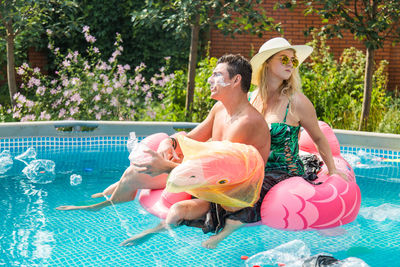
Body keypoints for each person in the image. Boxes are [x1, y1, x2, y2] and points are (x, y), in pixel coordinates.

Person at [57, 54, 271, 248]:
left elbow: (217, 175)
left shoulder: (246, 122)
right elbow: (192, 137)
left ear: (236, 81)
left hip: (230, 191)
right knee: (133, 174)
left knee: (178, 210)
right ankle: (105, 204)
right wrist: (171, 143)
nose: (210, 80)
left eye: (217, 75)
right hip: (208, 177)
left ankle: (151, 232)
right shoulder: (220, 109)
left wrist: (166, 166)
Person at [249, 37, 347, 180]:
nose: (290, 64)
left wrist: (332, 170)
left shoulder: (296, 102)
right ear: (267, 62)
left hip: (285, 177)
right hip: (253, 172)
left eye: (293, 60)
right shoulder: (250, 98)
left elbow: (319, 138)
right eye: (284, 59)